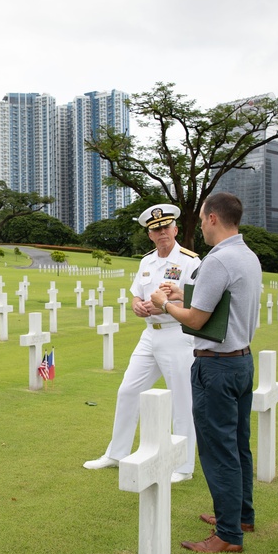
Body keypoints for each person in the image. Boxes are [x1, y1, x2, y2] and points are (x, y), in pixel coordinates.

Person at [150, 192, 261, 554]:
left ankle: (228, 534)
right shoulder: (247, 255)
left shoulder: (218, 260)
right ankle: (241, 514)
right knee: (238, 445)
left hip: (217, 366)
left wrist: (164, 303)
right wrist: (183, 292)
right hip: (242, 360)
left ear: (213, 218)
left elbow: (197, 320)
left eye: (200, 218)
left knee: (218, 450)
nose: (199, 224)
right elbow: (222, 302)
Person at [84, 204, 201, 483]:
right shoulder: (146, 262)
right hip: (150, 336)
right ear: (149, 235)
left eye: (166, 227)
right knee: (128, 391)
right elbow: (137, 294)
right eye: (155, 229)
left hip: (178, 334)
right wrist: (137, 306)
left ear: (175, 229)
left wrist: (166, 306)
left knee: (183, 401)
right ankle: (117, 453)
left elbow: (198, 300)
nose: (162, 233)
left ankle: (183, 466)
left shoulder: (190, 261)